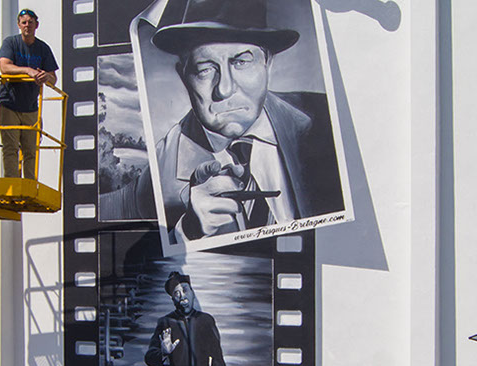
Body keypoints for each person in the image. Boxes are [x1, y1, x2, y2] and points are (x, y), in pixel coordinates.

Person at [127, 0, 343, 241]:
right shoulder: (156, 178)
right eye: (205, 69)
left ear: (267, 63)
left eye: (241, 61)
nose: (225, 89)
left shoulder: (328, 120)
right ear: (184, 76)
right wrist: (187, 231)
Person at [0, 8, 58, 180]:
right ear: (19, 25)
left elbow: (54, 79)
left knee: (31, 149)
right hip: (10, 103)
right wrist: (27, 71)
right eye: (24, 22)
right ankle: (13, 183)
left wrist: (46, 76)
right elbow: (4, 67)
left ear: (36, 25)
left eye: (30, 23)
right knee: (10, 147)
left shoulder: (43, 48)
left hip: (31, 106)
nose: (27, 26)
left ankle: (30, 185)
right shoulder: (11, 43)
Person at [144, 272, 227, 366]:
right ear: (173, 300)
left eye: (185, 290)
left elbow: (218, 362)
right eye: (177, 293)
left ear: (193, 293)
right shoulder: (165, 322)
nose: (183, 297)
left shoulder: (206, 321)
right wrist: (164, 353)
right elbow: (149, 358)